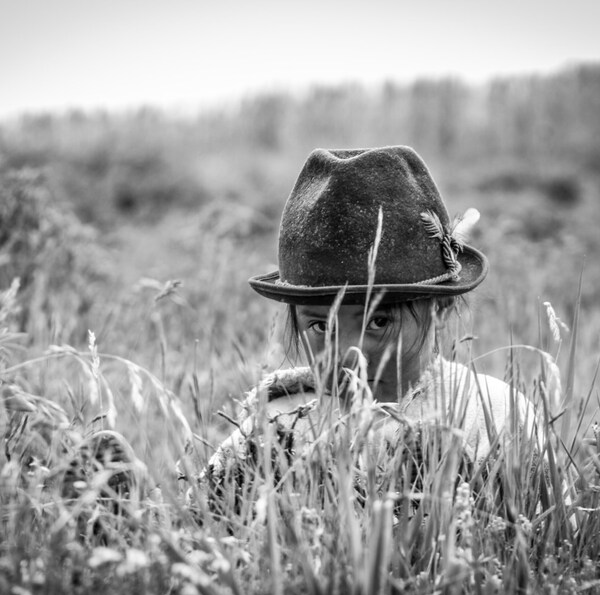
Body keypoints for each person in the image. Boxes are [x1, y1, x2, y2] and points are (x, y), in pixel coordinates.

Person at [200, 145, 536, 499]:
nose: (347, 352)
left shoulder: (490, 415)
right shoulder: (279, 424)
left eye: (377, 321)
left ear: (440, 308)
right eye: (320, 327)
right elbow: (203, 525)